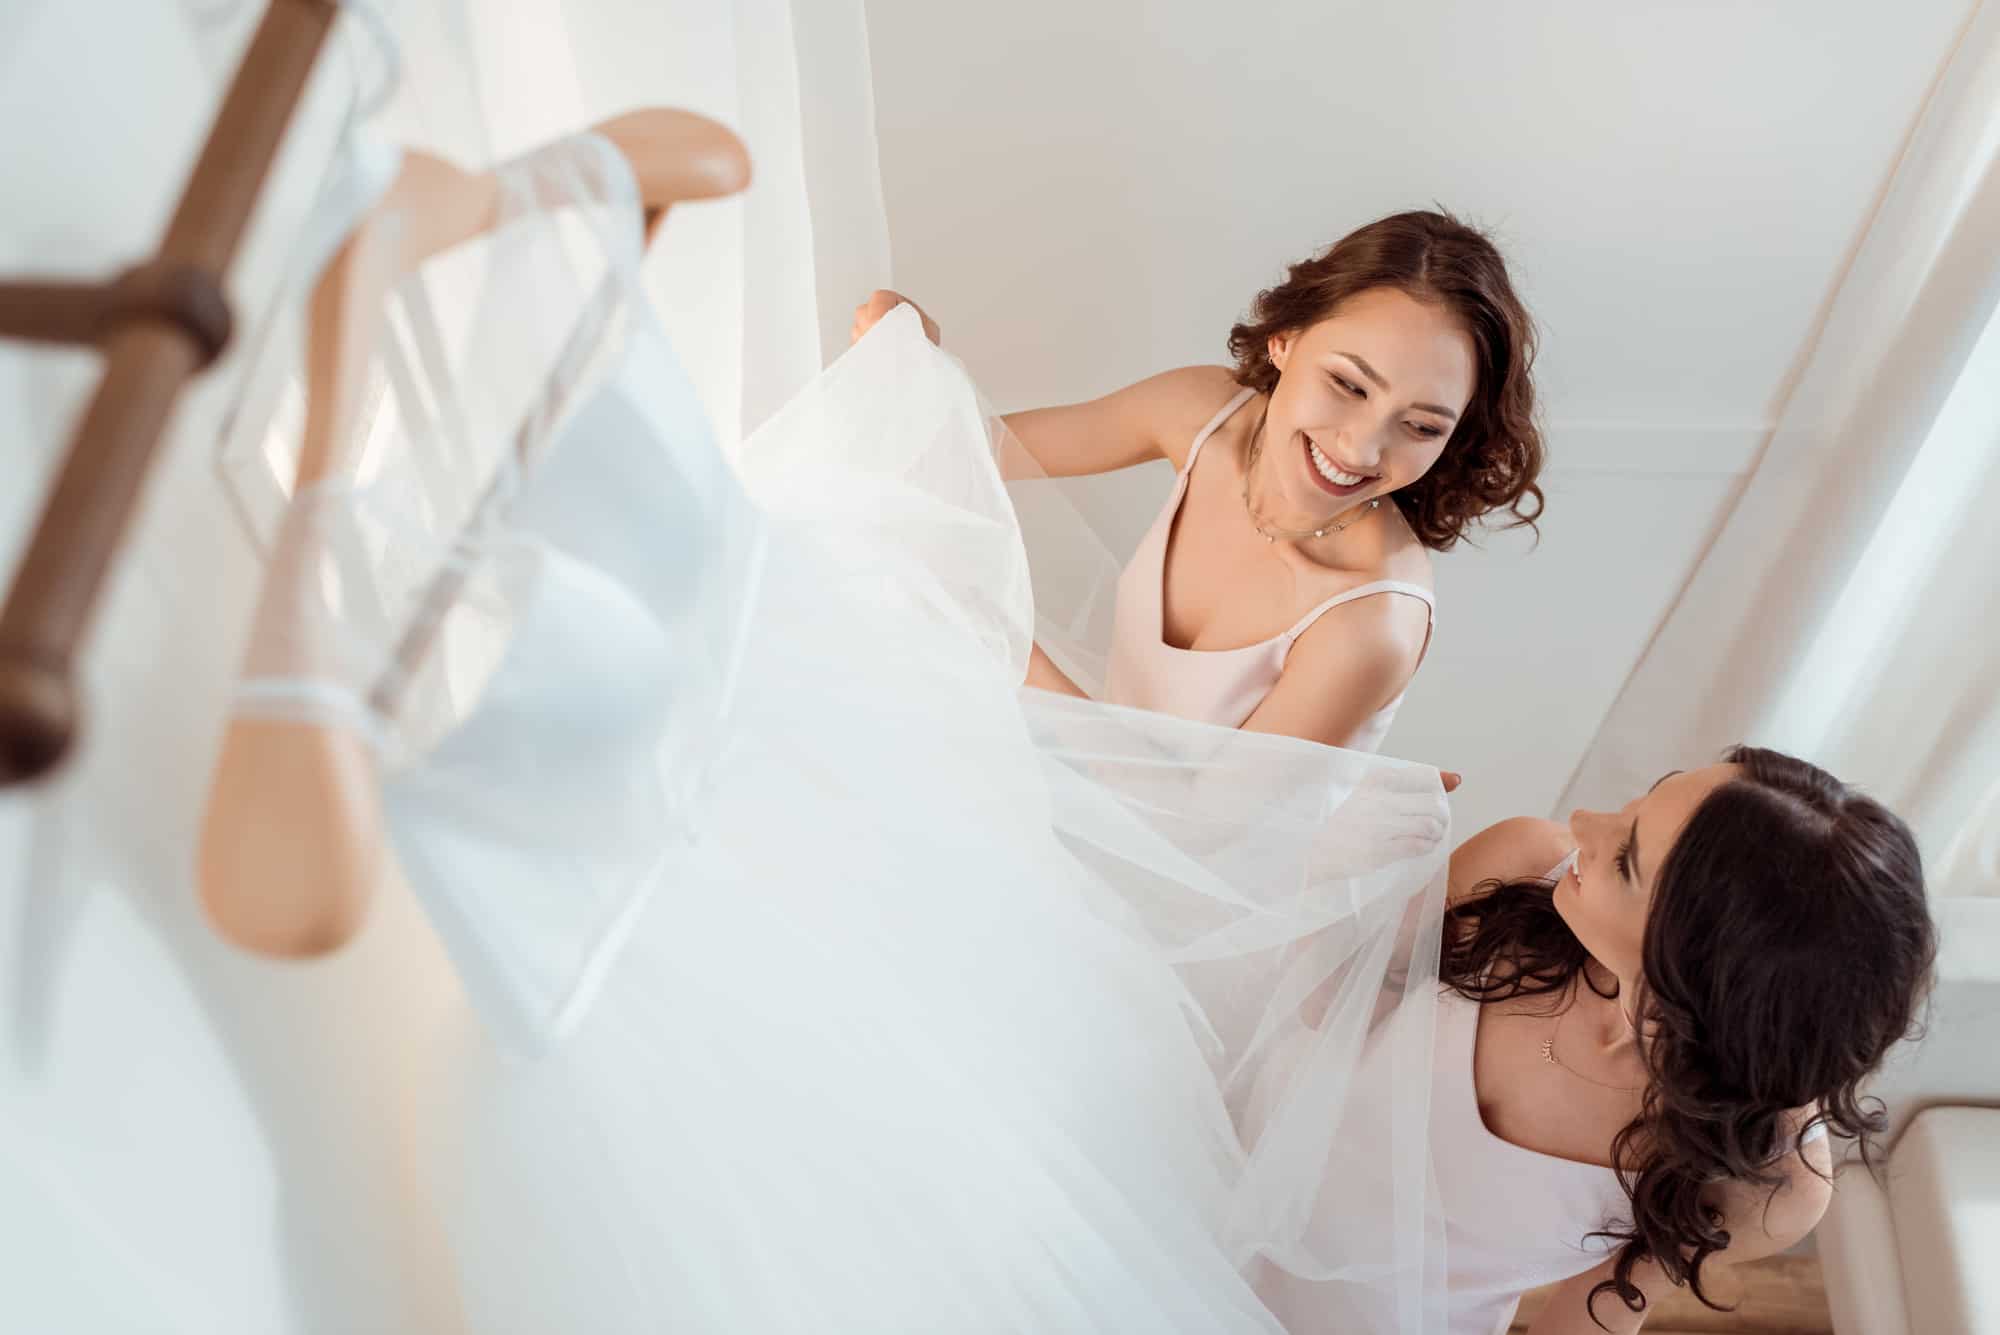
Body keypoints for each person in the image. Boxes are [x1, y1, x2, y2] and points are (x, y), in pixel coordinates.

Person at [853, 208, 1544, 754]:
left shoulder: (1371, 621)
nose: (1362, 445)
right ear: (1285, 340)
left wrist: (997, 636)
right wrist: (912, 360)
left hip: (1198, 903)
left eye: (1422, 426)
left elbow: (1193, 836)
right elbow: (963, 453)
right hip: (1080, 800)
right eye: (1347, 383)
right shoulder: (1202, 415)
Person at [1377, 746, 1936, 1335]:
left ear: (1701, 971)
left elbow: (1589, 1320)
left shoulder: (1766, 1174)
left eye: (1625, 860)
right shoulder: (1516, 870)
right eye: (1636, 806)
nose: (1583, 823)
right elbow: (1304, 1020)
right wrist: (1351, 864)